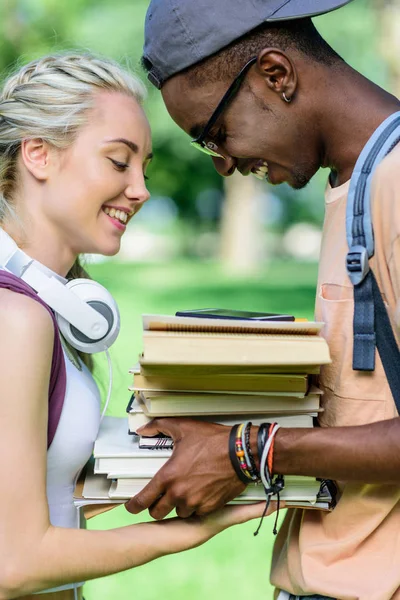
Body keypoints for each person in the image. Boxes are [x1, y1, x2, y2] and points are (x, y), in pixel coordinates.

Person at [127, 1, 400, 599]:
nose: (223, 165)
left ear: (276, 75)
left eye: (215, 134)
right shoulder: (354, 180)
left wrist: (250, 450)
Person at [0, 52, 272, 600]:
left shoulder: (45, 305)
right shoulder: (18, 318)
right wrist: (187, 531)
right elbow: (14, 560)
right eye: (118, 162)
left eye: (143, 168)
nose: (141, 189)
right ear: (38, 155)